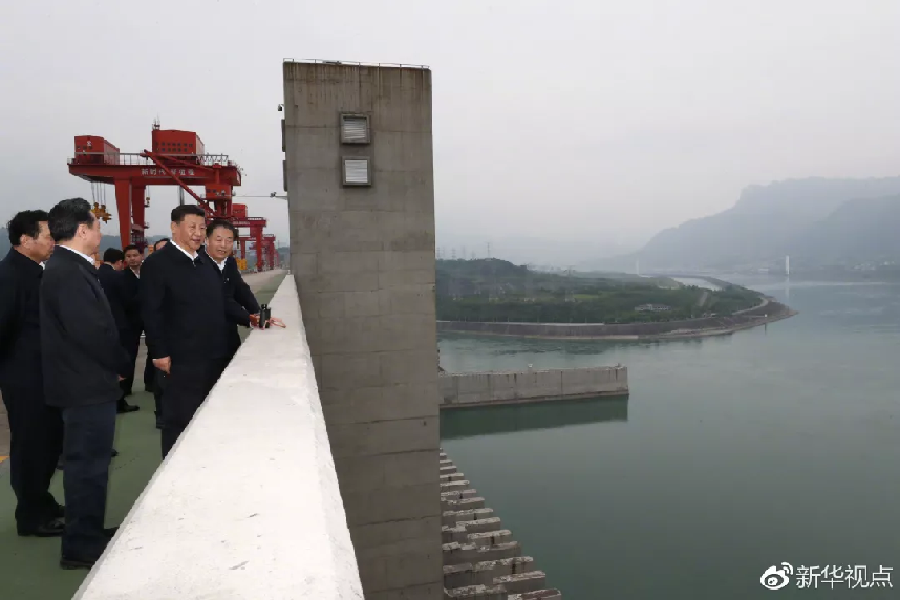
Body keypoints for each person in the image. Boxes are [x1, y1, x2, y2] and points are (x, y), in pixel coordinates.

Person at [40, 198, 130, 569]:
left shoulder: (68, 267)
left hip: (83, 383)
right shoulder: (68, 271)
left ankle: (88, 535)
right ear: (81, 230)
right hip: (85, 387)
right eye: (96, 226)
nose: (100, 233)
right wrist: (120, 364)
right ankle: (79, 548)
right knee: (86, 469)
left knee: (90, 467)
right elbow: (92, 332)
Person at [142, 207, 248, 457]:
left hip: (213, 355)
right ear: (174, 227)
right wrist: (159, 352)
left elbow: (223, 302)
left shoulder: (204, 263)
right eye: (192, 227)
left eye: (202, 228)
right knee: (180, 422)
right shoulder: (158, 264)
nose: (198, 233)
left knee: (210, 417)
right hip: (180, 361)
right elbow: (151, 311)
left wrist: (253, 318)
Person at [0, 210, 64, 537]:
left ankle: (42, 502)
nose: (54, 242)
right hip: (25, 378)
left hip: (43, 375)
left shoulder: (35, 271)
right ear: (26, 240)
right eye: (48, 236)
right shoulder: (9, 275)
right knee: (30, 446)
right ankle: (30, 516)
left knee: (48, 442)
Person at [204, 219, 262, 361]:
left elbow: (241, 290)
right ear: (206, 240)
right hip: (203, 342)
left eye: (229, 240)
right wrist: (250, 319)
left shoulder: (230, 262)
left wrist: (258, 312)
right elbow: (222, 300)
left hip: (228, 338)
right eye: (218, 240)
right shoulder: (197, 264)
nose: (223, 245)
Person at [96, 248, 139, 414]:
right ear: (120, 262)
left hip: (102, 325)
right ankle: (120, 400)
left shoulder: (95, 274)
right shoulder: (117, 277)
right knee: (122, 362)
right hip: (120, 325)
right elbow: (129, 301)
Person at [121, 244, 144, 396]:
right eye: (128, 256)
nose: (132, 259)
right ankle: (126, 388)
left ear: (142, 256)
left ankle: (151, 382)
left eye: (135, 255)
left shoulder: (149, 273)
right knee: (130, 354)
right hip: (131, 321)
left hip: (148, 318)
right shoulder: (122, 277)